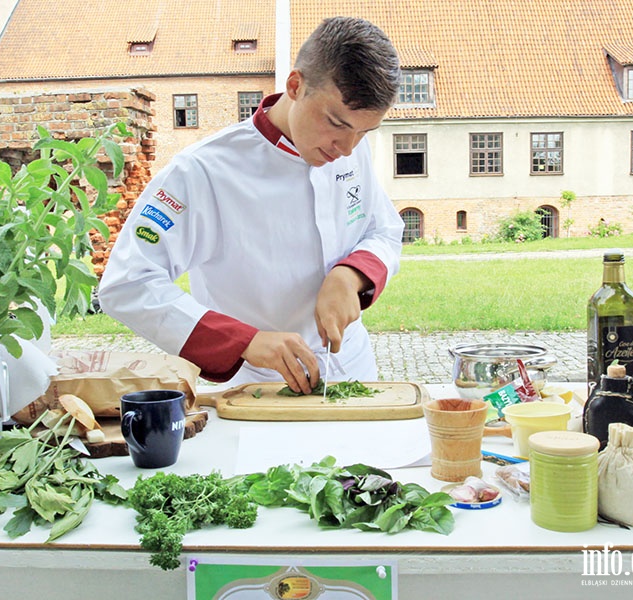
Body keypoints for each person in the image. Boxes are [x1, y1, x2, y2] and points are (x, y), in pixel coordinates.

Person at [98, 17, 404, 394]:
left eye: (364, 132)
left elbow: (384, 230)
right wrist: (244, 341)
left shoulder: (350, 148)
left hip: (351, 371)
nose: (348, 149)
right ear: (295, 85)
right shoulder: (202, 172)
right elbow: (127, 284)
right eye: (336, 124)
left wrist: (350, 275)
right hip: (251, 387)